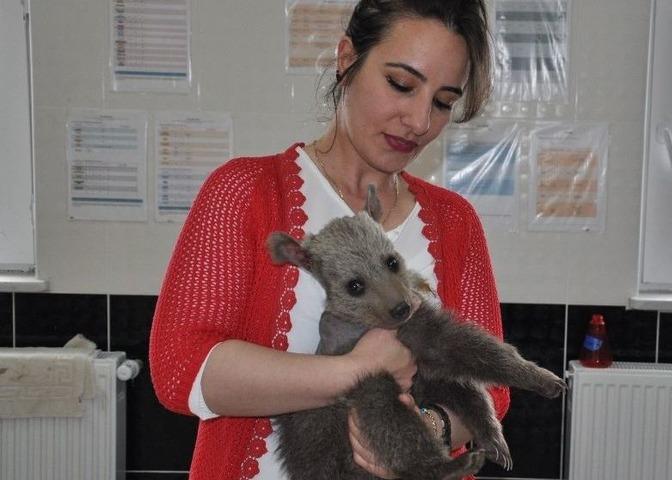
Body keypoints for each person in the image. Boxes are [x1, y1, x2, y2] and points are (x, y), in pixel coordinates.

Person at [148, 0, 509, 478]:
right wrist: (353, 371)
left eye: (442, 101)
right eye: (401, 84)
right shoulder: (244, 192)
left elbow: (492, 389)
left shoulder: (455, 222)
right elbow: (180, 368)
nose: (421, 121)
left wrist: (429, 429)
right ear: (347, 59)